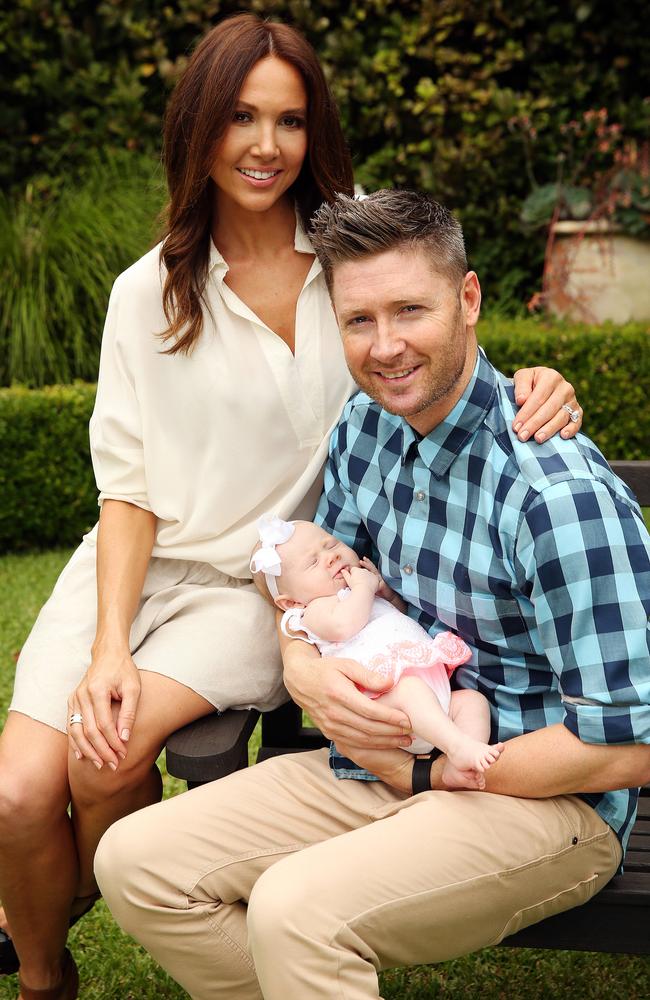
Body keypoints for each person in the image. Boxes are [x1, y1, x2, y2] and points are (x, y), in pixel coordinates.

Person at [0, 11, 583, 997]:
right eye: (239, 118)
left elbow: (436, 327)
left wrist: (539, 378)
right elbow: (128, 485)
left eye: (289, 120)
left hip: (262, 583)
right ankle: (46, 970)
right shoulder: (146, 293)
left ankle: (95, 871)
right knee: (16, 794)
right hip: (134, 561)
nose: (265, 147)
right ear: (199, 129)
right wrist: (107, 642)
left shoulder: (351, 248)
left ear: (315, 131)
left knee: (107, 758)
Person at [95, 189, 650, 1000]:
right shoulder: (367, 430)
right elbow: (312, 580)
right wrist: (303, 668)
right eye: (359, 320)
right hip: (383, 761)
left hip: (549, 799)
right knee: (136, 864)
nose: (385, 345)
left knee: (294, 913)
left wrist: (426, 776)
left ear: (467, 301)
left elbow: (630, 744)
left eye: (409, 311)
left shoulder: (554, 496)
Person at [251, 515, 503, 786]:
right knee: (411, 692)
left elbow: (399, 619)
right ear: (291, 601)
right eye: (313, 562)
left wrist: (387, 595)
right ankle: (458, 747)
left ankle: (460, 763)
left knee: (472, 703)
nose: (331, 557)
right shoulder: (312, 611)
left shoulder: (358, 593)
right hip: (387, 703)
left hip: (430, 696)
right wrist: (364, 587)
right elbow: (344, 625)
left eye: (332, 545)